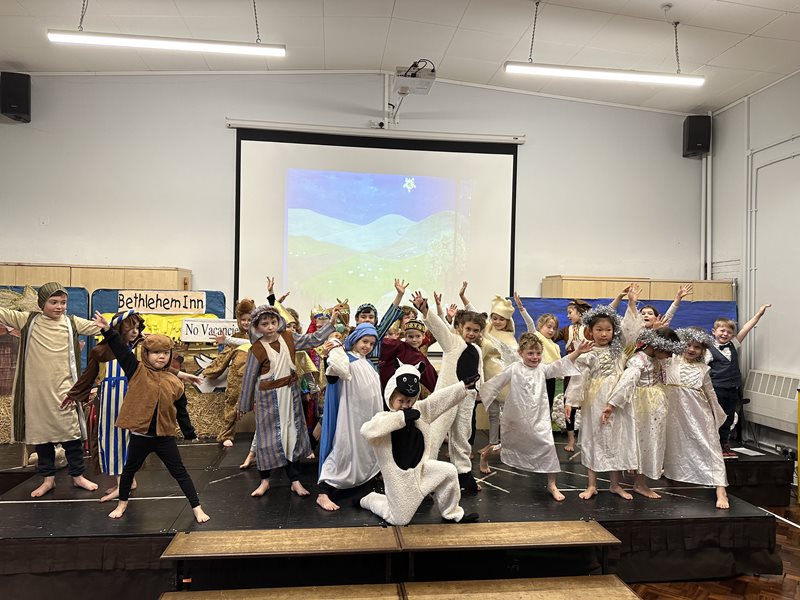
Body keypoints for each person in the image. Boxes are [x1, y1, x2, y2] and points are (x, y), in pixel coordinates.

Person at [90, 311, 210, 522]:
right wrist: (107, 330)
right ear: (146, 353)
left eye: (165, 353)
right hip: (140, 437)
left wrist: (189, 432)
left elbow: (182, 411)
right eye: (155, 353)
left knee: (180, 472)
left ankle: (197, 507)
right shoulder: (136, 371)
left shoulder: (175, 382)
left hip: (164, 438)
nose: (161, 356)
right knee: (128, 471)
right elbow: (120, 349)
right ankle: (122, 504)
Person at [0, 282, 101, 498]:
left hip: (64, 392)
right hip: (36, 394)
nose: (59, 306)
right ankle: (48, 479)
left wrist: (108, 325)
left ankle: (78, 476)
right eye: (53, 302)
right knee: (42, 438)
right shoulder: (28, 320)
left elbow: (99, 328)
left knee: (71, 436)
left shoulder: (71, 323)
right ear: (42, 303)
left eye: (63, 302)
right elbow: (3, 313)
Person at [359, 362, 480, 525]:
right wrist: (401, 418)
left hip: (422, 470)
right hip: (399, 480)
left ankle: (452, 513)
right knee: (399, 519)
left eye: (409, 401)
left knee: (449, 471)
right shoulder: (383, 418)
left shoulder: (420, 412)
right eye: (401, 400)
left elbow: (439, 399)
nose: (405, 405)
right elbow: (366, 431)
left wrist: (462, 387)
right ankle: (368, 499)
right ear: (391, 398)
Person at [238, 305, 337, 498]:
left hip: (290, 396)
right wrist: (244, 404)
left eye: (273, 322)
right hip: (268, 399)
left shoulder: (289, 337)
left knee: (291, 435)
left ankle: (295, 480)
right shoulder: (256, 349)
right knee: (267, 439)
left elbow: (312, 339)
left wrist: (330, 324)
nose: (270, 327)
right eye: (265, 324)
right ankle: (265, 481)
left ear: (279, 322)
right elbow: (249, 377)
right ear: (257, 327)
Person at [479, 333, 592, 499]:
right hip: (517, 418)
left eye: (538, 353)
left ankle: (552, 485)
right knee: (508, 446)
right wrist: (482, 395)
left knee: (548, 446)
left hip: (539, 418)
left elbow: (560, 365)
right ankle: (485, 456)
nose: (535, 357)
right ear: (520, 353)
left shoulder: (542, 369)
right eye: (530, 353)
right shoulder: (515, 368)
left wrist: (577, 352)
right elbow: (496, 383)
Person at [63, 310, 145, 501]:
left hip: (132, 401)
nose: (135, 331)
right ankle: (123, 482)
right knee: (113, 441)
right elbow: (89, 375)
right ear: (119, 329)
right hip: (110, 403)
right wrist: (73, 394)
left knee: (130, 442)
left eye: (137, 327)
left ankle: (126, 482)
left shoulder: (140, 349)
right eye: (130, 327)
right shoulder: (101, 352)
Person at [564, 304, 639, 500]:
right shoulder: (587, 353)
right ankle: (591, 485)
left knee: (617, 439)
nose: (604, 334)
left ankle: (615, 484)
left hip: (618, 398)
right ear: (590, 331)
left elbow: (631, 329)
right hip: (596, 399)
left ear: (614, 331)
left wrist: (631, 304)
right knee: (594, 438)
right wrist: (570, 401)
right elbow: (579, 378)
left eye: (608, 330)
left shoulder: (619, 350)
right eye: (599, 329)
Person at [413, 291, 485, 492]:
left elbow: (479, 372)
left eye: (476, 330)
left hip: (467, 397)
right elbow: (438, 328)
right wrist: (425, 310)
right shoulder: (452, 342)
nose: (471, 333)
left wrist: (478, 391)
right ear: (460, 327)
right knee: (435, 434)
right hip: (447, 396)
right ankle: (425, 474)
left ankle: (463, 474)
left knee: (462, 435)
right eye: (468, 329)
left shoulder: (477, 350)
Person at [604, 327, 684, 499]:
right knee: (638, 442)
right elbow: (627, 382)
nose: (669, 356)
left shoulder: (655, 359)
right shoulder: (638, 361)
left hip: (653, 406)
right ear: (658, 347)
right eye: (668, 352)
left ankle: (640, 483)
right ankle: (627, 483)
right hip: (640, 407)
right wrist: (612, 404)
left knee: (650, 442)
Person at [316, 323, 383, 511]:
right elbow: (332, 377)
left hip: (365, 418)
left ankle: (364, 480)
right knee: (342, 449)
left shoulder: (367, 363)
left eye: (372, 343)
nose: (368, 346)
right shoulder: (344, 359)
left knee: (365, 451)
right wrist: (330, 356)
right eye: (364, 341)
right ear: (355, 340)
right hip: (349, 417)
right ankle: (323, 493)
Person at [665, 327, 729, 509]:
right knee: (675, 445)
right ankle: (673, 475)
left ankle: (721, 490)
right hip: (674, 416)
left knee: (710, 448)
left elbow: (711, 394)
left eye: (697, 347)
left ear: (703, 350)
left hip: (698, 416)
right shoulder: (670, 361)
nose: (691, 349)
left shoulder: (703, 370)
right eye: (688, 345)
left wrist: (717, 416)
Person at [706, 304, 771, 458]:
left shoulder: (733, 345)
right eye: (722, 331)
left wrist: (759, 314)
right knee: (716, 417)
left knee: (729, 417)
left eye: (729, 332)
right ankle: (713, 445)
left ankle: (724, 443)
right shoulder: (708, 350)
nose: (725, 334)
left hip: (733, 388)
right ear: (714, 332)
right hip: (717, 388)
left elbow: (746, 329)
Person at [203, 298, 256, 448]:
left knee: (261, 405)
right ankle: (226, 434)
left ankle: (263, 434)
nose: (246, 323)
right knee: (232, 405)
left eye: (249, 319)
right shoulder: (236, 337)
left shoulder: (259, 336)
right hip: (237, 376)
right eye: (243, 320)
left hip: (256, 376)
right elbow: (225, 356)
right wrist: (212, 370)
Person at [555, 298, 591, 452]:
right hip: (570, 369)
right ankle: (571, 439)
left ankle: (589, 438)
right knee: (569, 404)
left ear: (580, 313)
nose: (568, 316)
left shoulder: (590, 329)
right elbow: (551, 336)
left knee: (589, 402)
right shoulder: (566, 330)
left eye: (570, 312)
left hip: (588, 369)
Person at [514, 291, 561, 410]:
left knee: (548, 404)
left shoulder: (555, 346)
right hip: (536, 375)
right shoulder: (536, 336)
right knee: (534, 404)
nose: (551, 330)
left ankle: (546, 421)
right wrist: (521, 308)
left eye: (554, 328)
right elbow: (529, 323)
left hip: (550, 378)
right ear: (540, 326)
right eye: (548, 327)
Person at [352, 279, 407, 370]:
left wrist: (399, 294)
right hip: (354, 372)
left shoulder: (377, 333)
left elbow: (388, 318)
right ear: (357, 319)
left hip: (373, 372)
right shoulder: (351, 335)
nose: (367, 319)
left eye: (371, 317)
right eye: (363, 317)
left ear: (375, 320)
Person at [379, 318, 437, 394]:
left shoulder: (422, 360)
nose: (414, 340)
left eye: (418, 336)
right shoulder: (398, 346)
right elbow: (379, 343)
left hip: (405, 393)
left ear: (423, 336)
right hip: (384, 387)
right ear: (405, 336)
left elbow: (433, 381)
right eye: (410, 336)